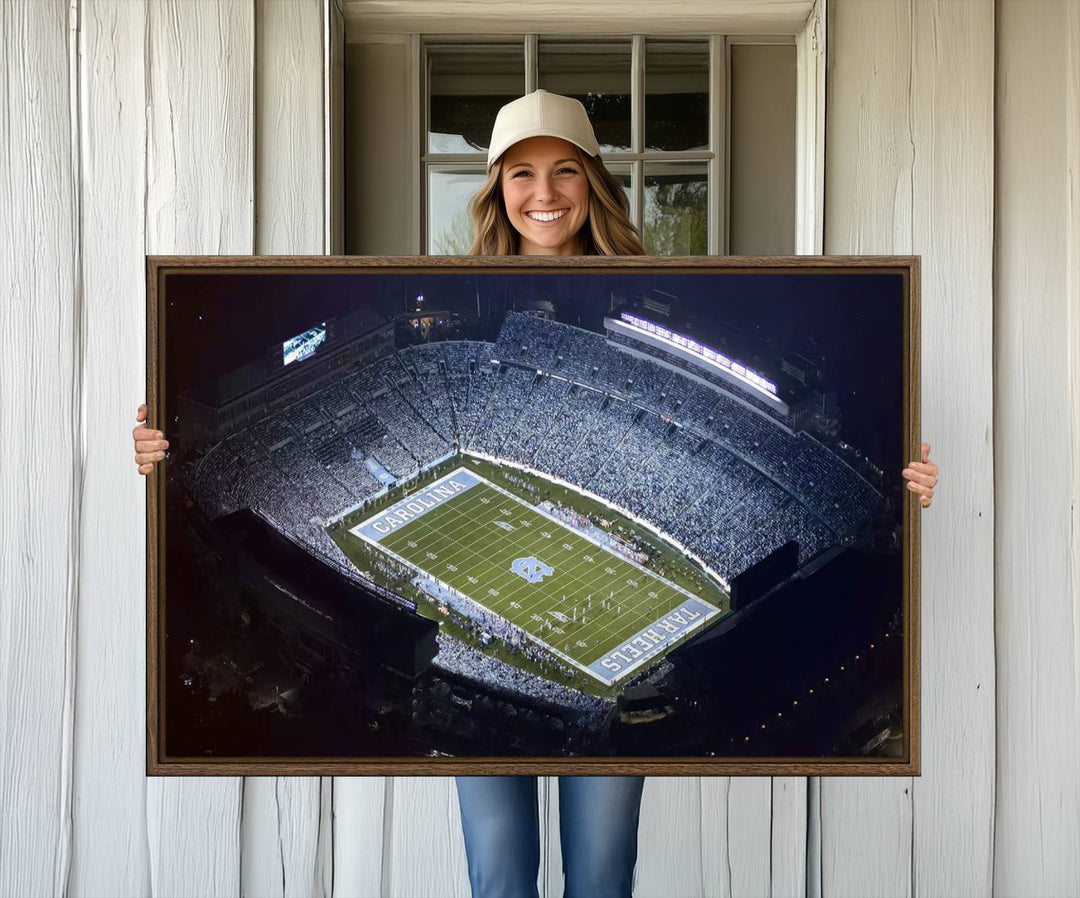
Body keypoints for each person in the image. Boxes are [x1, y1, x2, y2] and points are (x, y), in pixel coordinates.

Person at [131, 90, 939, 897]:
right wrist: (156, 448)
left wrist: (911, 478)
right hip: (488, 699)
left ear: (593, 182)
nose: (544, 194)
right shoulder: (459, 291)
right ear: (496, 189)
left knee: (600, 873)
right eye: (522, 174)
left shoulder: (659, 285)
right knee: (500, 872)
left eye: (563, 172)